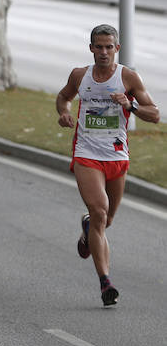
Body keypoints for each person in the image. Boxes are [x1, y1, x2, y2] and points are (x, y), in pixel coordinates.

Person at [55, 24, 159, 306]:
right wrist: (64, 113)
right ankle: (105, 283)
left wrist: (131, 106)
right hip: (86, 154)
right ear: (91, 48)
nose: (103, 52)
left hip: (116, 156)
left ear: (117, 49)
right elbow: (63, 97)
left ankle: (88, 229)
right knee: (100, 211)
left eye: (108, 47)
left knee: (106, 220)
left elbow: (155, 115)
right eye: (98, 47)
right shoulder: (80, 75)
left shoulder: (128, 77)